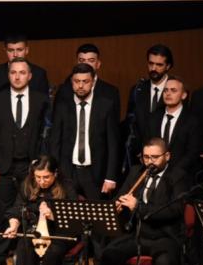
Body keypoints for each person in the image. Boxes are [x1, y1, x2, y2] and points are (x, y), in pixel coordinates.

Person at [98, 138, 187, 265]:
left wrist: (138, 206)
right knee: (107, 256)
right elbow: (122, 196)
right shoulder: (136, 172)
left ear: (167, 156)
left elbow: (174, 211)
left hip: (165, 236)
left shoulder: (178, 177)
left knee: (165, 263)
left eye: (155, 157)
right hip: (138, 234)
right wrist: (119, 205)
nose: (150, 162)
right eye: (146, 157)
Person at [0, 57, 49, 265]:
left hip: (29, 166)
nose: (18, 76)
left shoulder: (41, 100)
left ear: (29, 76)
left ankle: (28, 259)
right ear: (8, 74)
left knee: (30, 210)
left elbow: (44, 134)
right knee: (1, 212)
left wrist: (40, 161)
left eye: (22, 72)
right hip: (3, 166)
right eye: (14, 72)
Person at [2, 155, 77, 265]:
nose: (42, 181)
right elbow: (17, 208)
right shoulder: (28, 185)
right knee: (24, 247)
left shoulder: (67, 187)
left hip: (59, 232)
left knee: (53, 251)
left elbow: (74, 217)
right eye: (38, 177)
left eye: (46, 177)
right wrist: (13, 226)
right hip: (34, 230)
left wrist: (53, 216)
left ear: (55, 174)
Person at [50, 62, 119, 199]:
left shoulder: (105, 105)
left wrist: (110, 177)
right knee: (67, 216)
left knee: (97, 217)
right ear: (71, 82)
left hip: (95, 172)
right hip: (68, 171)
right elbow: (55, 140)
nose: (80, 86)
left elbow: (113, 143)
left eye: (85, 81)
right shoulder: (63, 105)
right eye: (77, 81)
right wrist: (54, 171)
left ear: (93, 82)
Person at [124, 44, 174, 165]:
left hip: (167, 156)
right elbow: (131, 123)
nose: (153, 68)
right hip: (141, 156)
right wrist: (139, 151)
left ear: (168, 66)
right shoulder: (138, 89)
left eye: (159, 65)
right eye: (151, 63)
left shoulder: (175, 89)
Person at [148, 75, 202, 174]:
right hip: (154, 172)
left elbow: (192, 153)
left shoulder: (192, 120)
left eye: (173, 90)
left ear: (184, 95)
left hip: (181, 175)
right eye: (165, 90)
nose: (168, 93)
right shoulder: (154, 117)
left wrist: (174, 172)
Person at [54, 43, 121, 116]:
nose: (86, 64)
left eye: (91, 60)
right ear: (77, 63)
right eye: (82, 60)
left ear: (98, 64)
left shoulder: (111, 92)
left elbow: (113, 124)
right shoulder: (64, 91)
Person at [0, 34, 50, 99]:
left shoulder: (39, 74)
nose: (15, 54)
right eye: (11, 50)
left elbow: (44, 104)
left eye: (19, 50)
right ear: (5, 51)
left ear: (26, 50)